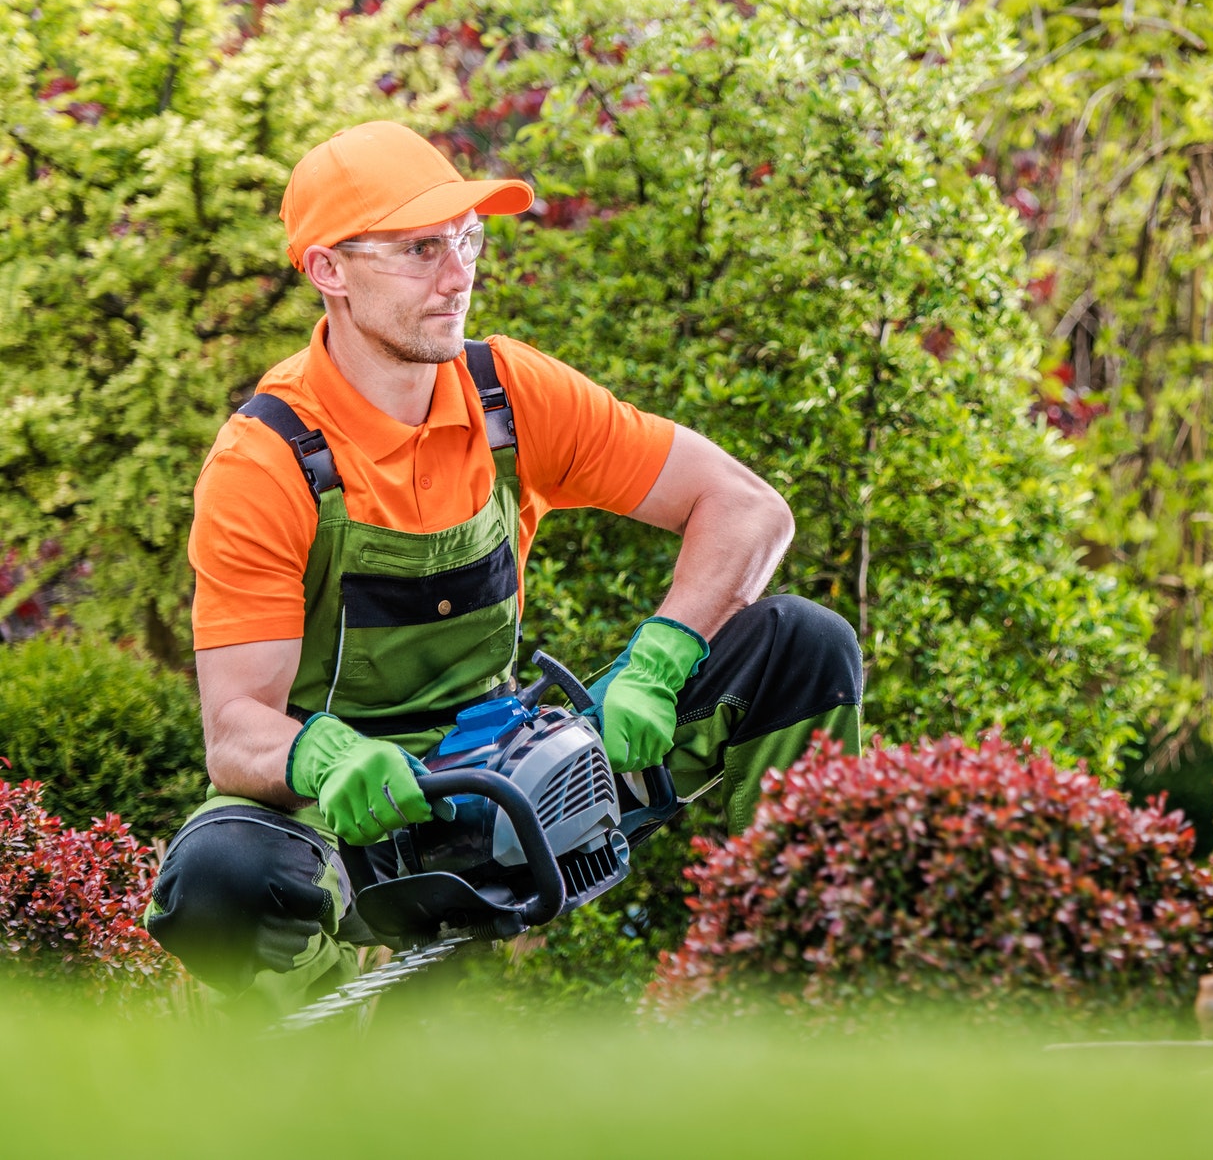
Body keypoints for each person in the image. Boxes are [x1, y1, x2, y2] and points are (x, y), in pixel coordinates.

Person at [143, 121, 862, 1013]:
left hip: (513, 780)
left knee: (803, 645)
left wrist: (662, 658)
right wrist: (327, 758)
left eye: (465, 240)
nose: (458, 275)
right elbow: (234, 727)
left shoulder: (506, 395)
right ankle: (333, 1033)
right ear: (329, 269)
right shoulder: (267, 461)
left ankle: (814, 982)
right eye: (419, 249)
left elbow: (749, 509)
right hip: (358, 823)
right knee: (221, 879)